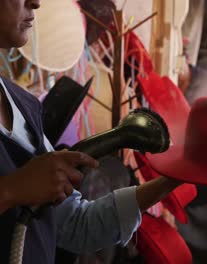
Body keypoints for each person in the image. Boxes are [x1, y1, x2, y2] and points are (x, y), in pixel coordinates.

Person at [0, 1, 182, 263]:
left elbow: (76, 225)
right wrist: (9, 191)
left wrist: (172, 180)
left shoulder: (22, 104)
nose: (35, 2)